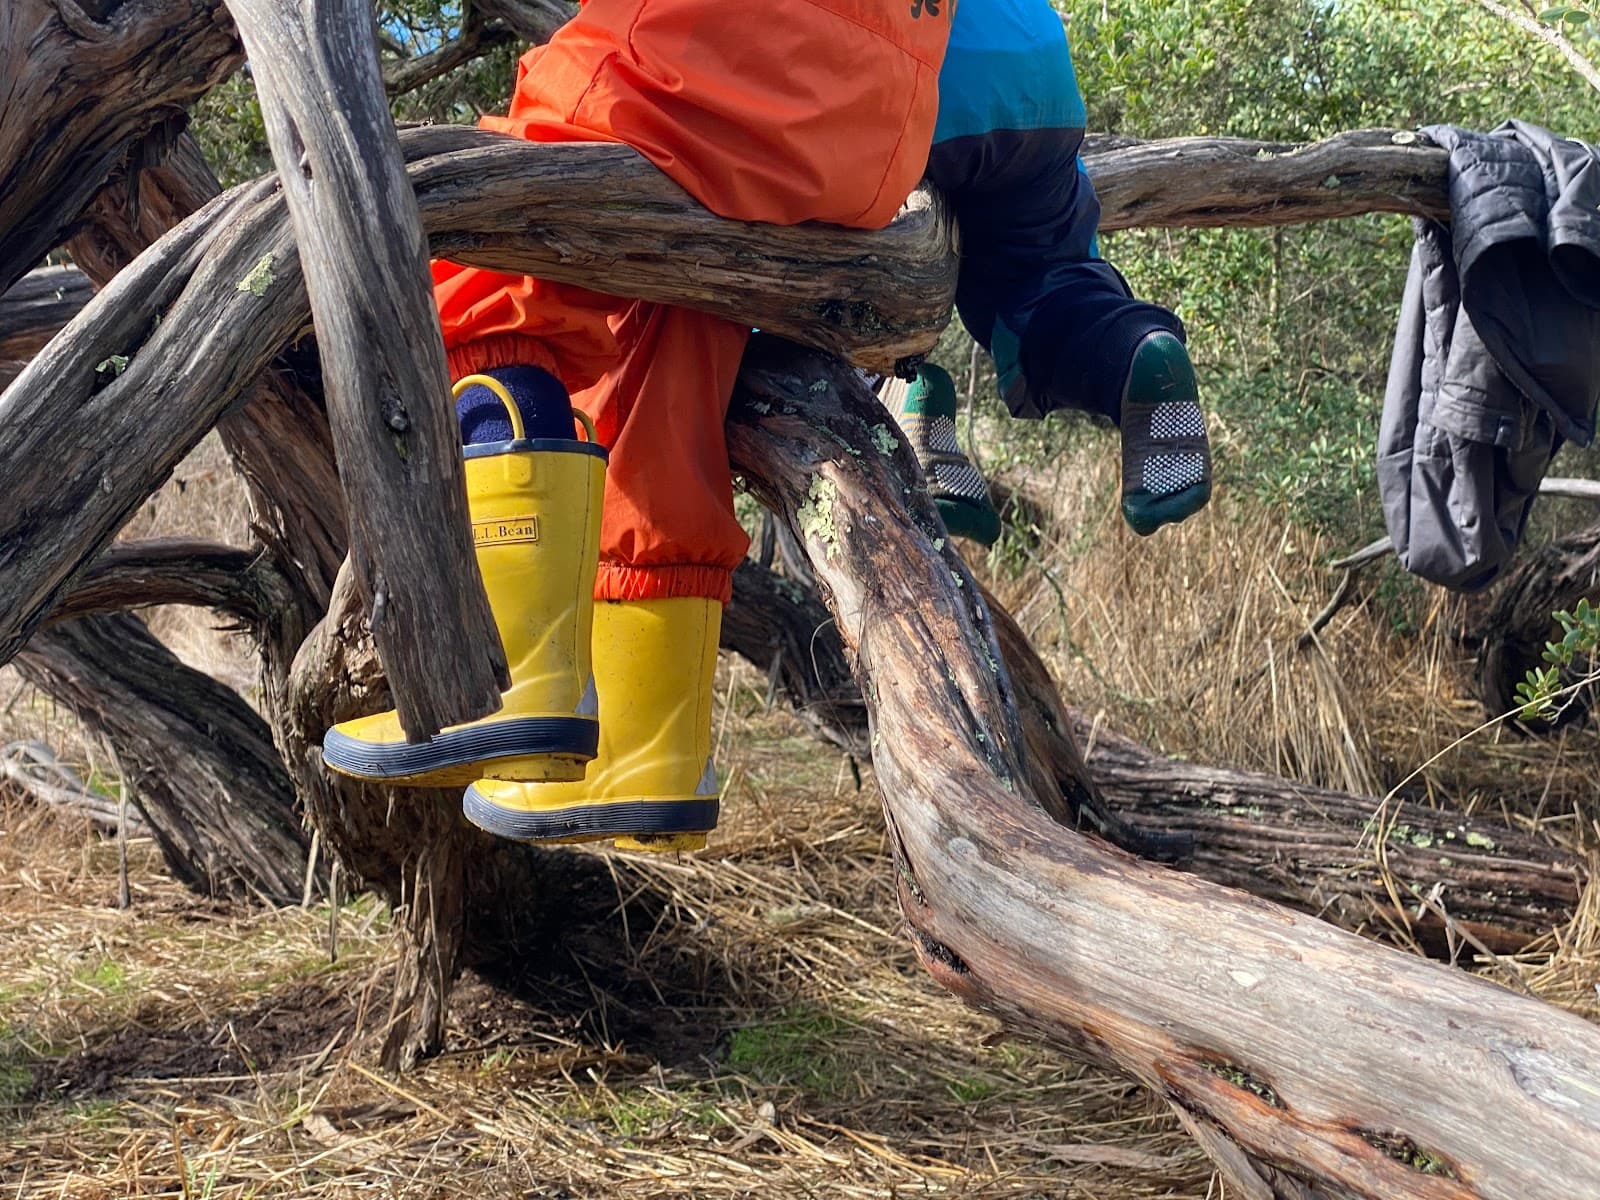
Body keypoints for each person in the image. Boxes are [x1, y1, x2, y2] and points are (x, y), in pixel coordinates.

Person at [322, 0, 956, 853]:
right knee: (671, 351)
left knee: (476, 266)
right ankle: (648, 751)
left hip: (731, 52)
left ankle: (501, 687)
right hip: (874, 125)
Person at [887, 0, 1211, 544]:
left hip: (896, 65)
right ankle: (1133, 350)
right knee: (1042, 286)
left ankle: (896, 398)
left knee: (797, 268)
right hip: (1033, 67)